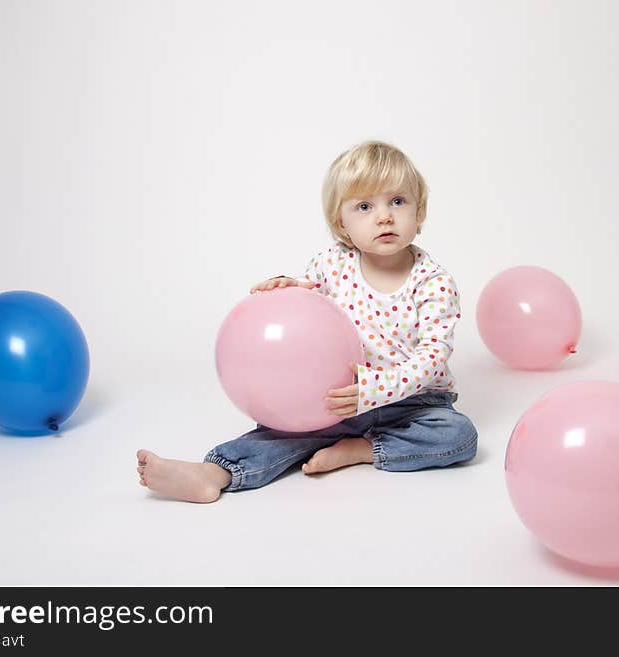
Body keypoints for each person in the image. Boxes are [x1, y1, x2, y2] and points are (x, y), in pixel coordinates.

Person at [136, 140, 478, 503]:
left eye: (398, 201)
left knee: (459, 435)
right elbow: (308, 311)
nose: (384, 216)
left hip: (415, 404)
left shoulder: (434, 281)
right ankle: (215, 472)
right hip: (341, 398)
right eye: (365, 206)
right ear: (341, 223)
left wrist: (376, 391)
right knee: (286, 431)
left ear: (419, 209)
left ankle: (361, 450)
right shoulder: (333, 264)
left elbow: (432, 359)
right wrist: (288, 289)